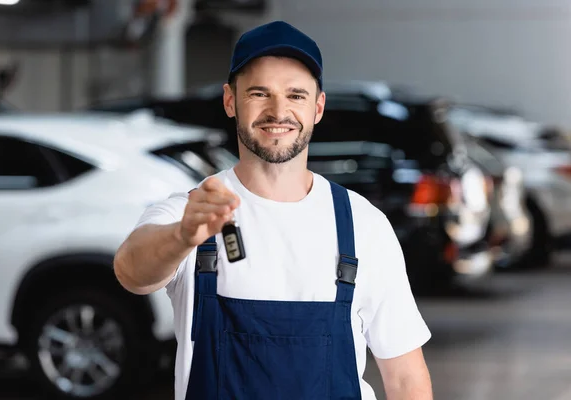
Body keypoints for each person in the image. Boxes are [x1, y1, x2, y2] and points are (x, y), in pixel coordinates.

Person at [114, 20, 433, 400]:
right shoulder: (191, 213)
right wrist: (182, 237)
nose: (278, 111)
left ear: (318, 107)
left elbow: (405, 380)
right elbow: (131, 272)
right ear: (230, 101)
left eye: (296, 95)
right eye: (259, 93)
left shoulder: (363, 226)